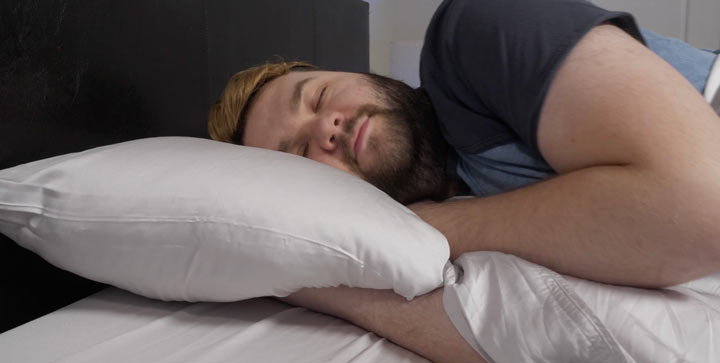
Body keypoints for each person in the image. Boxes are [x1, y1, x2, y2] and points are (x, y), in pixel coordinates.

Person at [208, 0, 720, 361]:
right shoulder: (441, 229)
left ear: (357, 73)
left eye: (318, 97)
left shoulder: (473, 28)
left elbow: (706, 208)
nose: (326, 127)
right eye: (298, 154)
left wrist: (437, 225)